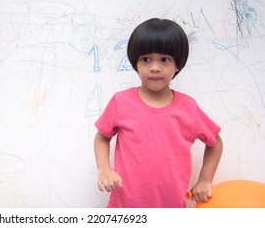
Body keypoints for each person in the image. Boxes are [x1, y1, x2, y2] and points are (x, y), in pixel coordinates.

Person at [94, 18, 223, 208]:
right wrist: (104, 168)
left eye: (165, 59)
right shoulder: (121, 102)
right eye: (146, 59)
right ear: (135, 63)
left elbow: (215, 143)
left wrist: (205, 179)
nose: (155, 67)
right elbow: (102, 137)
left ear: (178, 65)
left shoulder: (188, 108)